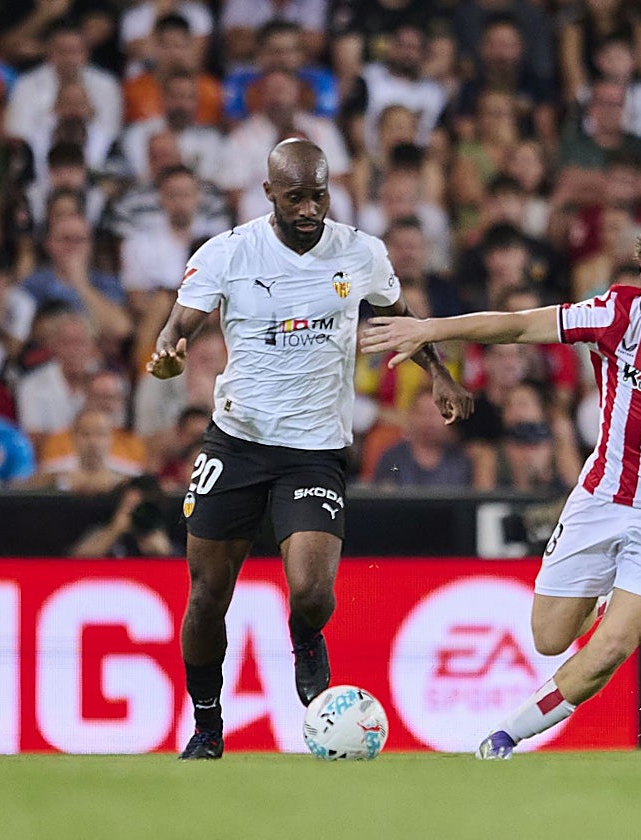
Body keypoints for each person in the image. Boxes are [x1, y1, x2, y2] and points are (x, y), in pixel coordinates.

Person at [360, 214, 641, 759]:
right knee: (549, 636)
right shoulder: (618, 311)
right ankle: (605, 593)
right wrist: (431, 329)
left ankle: (506, 736)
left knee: (612, 644)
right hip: (600, 498)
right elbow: (521, 324)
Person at [146, 138, 472, 760]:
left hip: (314, 449)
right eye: (294, 196)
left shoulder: (361, 253)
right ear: (268, 193)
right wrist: (168, 350)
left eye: (318, 194)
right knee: (208, 594)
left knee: (313, 592)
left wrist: (437, 372)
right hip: (237, 442)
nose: (308, 208)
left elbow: (400, 315)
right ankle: (208, 726)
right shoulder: (229, 252)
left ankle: (305, 637)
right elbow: (178, 323)